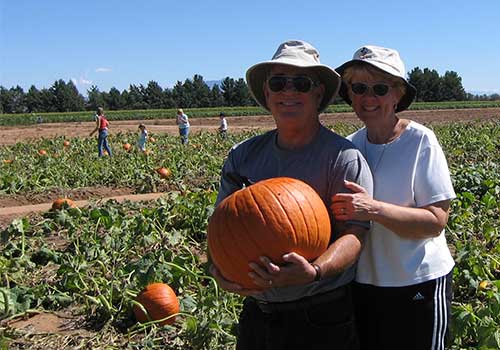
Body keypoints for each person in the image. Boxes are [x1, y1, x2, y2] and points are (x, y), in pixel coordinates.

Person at [209, 40, 373, 350]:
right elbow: (221, 227)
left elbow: (355, 236)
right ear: (267, 93)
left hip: (321, 314)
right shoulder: (242, 157)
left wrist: (313, 272)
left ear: (318, 93)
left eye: (301, 83)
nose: (289, 91)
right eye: (279, 82)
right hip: (258, 313)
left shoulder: (342, 158)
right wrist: (218, 269)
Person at [332, 45, 456, 350]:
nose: (368, 97)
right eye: (359, 88)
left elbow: (435, 221)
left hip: (419, 284)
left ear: (398, 94)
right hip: (366, 285)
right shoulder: (349, 147)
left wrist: (372, 209)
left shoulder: (420, 141)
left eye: (380, 88)